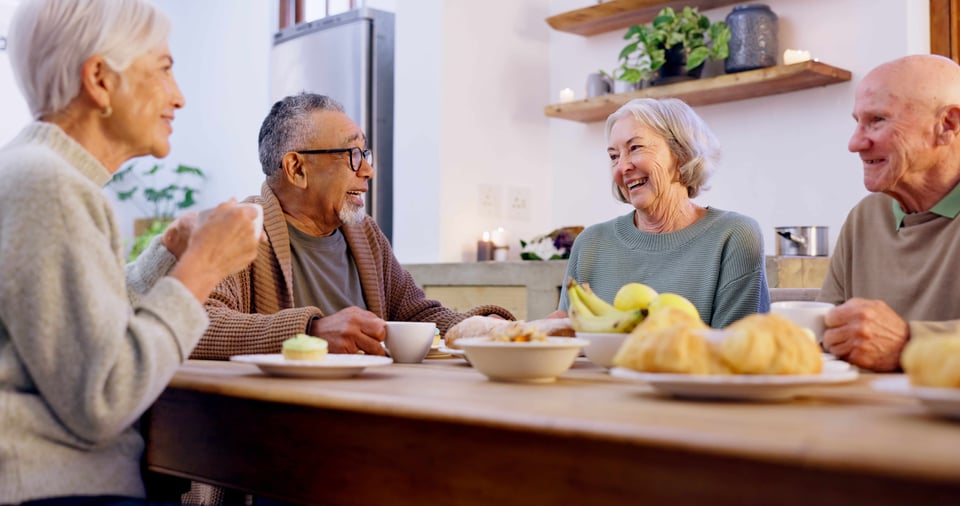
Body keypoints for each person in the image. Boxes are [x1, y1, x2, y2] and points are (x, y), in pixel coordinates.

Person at [0, 0, 262, 504]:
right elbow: (105, 395)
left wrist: (169, 254)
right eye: (164, 68)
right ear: (99, 79)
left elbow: (82, 330)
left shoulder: (39, 173)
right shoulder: (48, 184)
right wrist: (202, 268)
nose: (179, 97)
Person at [189, 92, 514, 361]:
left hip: (368, 406)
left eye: (365, 153)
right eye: (353, 154)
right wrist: (311, 332)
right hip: (278, 419)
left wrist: (491, 327)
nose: (369, 170)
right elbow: (193, 323)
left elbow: (416, 315)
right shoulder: (239, 229)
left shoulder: (365, 233)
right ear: (296, 168)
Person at [557, 98, 769, 328]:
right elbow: (568, 343)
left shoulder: (734, 236)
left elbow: (737, 350)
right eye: (614, 156)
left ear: (682, 153)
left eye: (635, 148)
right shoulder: (590, 243)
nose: (622, 167)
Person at [819, 54, 960, 372]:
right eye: (857, 122)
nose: (855, 143)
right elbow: (826, 331)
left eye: (878, 120)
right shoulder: (865, 218)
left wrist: (909, 343)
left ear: (947, 126)